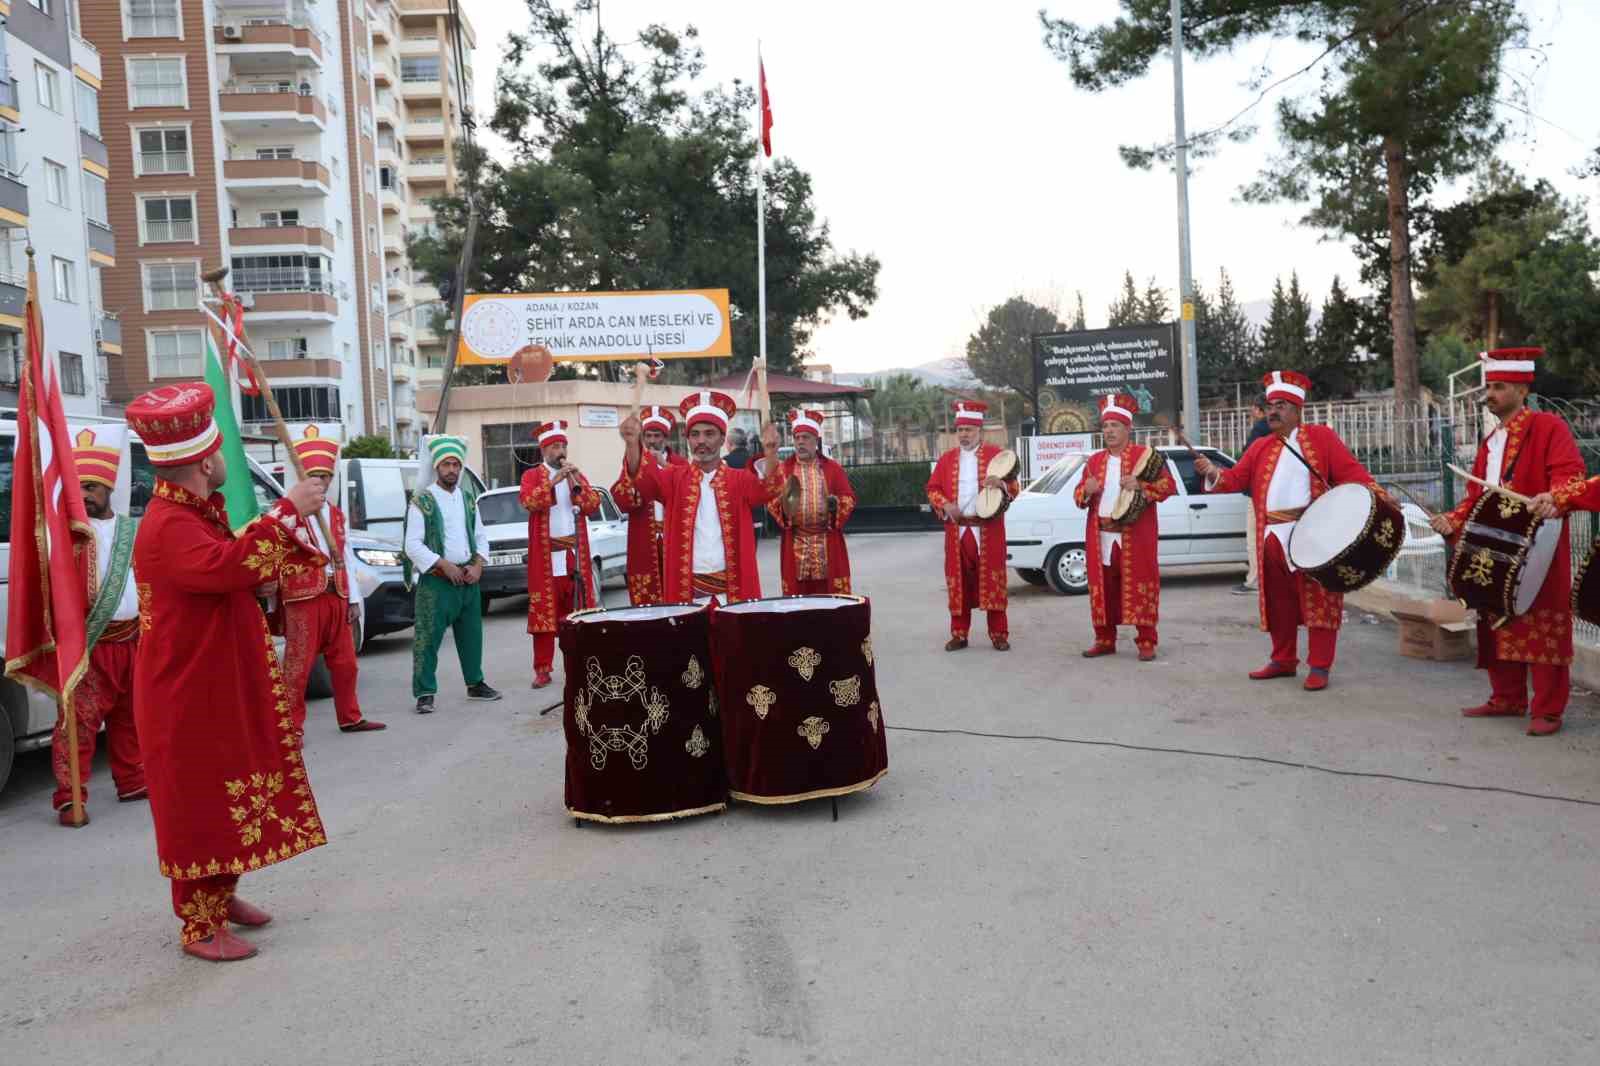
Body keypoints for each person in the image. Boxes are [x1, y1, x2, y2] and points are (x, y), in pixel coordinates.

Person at [126, 383, 330, 961]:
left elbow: (230, 572)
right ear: (204, 461)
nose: (225, 460)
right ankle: (198, 925)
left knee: (228, 789)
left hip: (211, 681)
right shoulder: (169, 524)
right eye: (221, 452)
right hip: (186, 693)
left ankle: (223, 891)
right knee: (197, 802)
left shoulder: (192, 514)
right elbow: (225, 568)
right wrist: (287, 511)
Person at [1429, 348, 1587, 736]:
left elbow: (1570, 473)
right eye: (1489, 387)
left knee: (1543, 620)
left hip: (1538, 541)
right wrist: (1451, 520)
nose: (1490, 394)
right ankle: (1508, 698)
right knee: (1494, 616)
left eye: (1499, 387)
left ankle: (1548, 709)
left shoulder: (1548, 427)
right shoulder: (1490, 442)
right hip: (1493, 541)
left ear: (1521, 389)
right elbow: (1475, 496)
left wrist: (1555, 497)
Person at [1194, 371, 1381, 691]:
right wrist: (1212, 472)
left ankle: (1320, 666)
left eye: (1281, 405)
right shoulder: (1260, 446)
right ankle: (1283, 660)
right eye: (1270, 405)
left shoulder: (1322, 438)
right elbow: (1235, 479)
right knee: (1278, 601)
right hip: (1271, 534)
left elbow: (1353, 474)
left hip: (1312, 533)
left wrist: (1379, 498)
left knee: (1319, 598)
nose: (1273, 411)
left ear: (1298, 410)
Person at [51, 427, 146, 826]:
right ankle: (71, 796)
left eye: (92, 487)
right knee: (79, 723)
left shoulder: (132, 530)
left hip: (133, 638)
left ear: (108, 489)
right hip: (91, 644)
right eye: (79, 488)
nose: (86, 496)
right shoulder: (67, 535)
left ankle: (133, 780)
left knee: (130, 716)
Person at [614, 391, 783, 604]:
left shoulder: (740, 480)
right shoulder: (674, 478)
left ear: (723, 438)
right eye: (695, 434)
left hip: (732, 596)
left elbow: (770, 488)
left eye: (709, 433)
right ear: (688, 439)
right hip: (688, 596)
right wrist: (631, 443)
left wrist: (771, 453)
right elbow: (644, 480)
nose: (701, 441)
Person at [277, 427, 384, 741]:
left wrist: (352, 597)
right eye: (314, 475)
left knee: (347, 663)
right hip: (303, 598)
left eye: (325, 476)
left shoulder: (335, 515)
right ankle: (290, 728)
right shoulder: (287, 514)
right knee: (298, 667)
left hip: (335, 594)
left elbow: (345, 556)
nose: (321, 482)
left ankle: (350, 716)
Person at [1073, 394, 1178, 661]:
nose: (1109, 430)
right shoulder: (1094, 461)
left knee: (1141, 583)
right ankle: (1104, 639)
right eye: (1105, 425)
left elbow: (1169, 487)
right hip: (1101, 537)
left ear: (1128, 428)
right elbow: (1078, 497)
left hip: (1135, 536)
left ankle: (1146, 641)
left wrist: (1141, 486)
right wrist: (1086, 491)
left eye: (1115, 425)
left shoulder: (1145, 456)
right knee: (1103, 589)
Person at [403, 436, 502, 713]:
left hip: (468, 579)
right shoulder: (422, 501)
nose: (452, 470)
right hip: (437, 581)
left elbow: (481, 536)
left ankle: (475, 683)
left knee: (472, 635)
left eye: (456, 464)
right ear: (437, 466)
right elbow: (412, 545)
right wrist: (443, 564)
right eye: (447, 464)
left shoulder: (468, 498)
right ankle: (424, 693)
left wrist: (479, 565)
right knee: (427, 639)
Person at [926, 401, 1020, 652]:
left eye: (969, 429)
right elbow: (932, 489)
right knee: (958, 582)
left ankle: (999, 633)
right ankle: (959, 633)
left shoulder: (996, 456)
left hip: (988, 530)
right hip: (958, 531)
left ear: (979, 430)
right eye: (960, 430)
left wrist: (1000, 485)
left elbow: (1014, 488)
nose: (964, 434)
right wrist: (945, 504)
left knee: (993, 580)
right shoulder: (947, 459)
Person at [521, 420, 601, 689]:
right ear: (545, 450)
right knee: (545, 612)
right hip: (546, 557)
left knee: (576, 611)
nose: (560, 450)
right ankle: (543, 669)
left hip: (573, 554)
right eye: (555, 446)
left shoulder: (575, 475)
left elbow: (592, 506)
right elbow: (529, 502)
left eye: (563, 445)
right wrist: (553, 482)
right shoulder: (532, 476)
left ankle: (578, 664)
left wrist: (577, 480)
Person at [767, 409, 857, 595]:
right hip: (796, 542)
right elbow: (770, 500)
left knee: (830, 598)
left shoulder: (833, 469)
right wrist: (782, 506)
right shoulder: (782, 471)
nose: (800, 442)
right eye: (797, 437)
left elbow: (848, 498)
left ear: (815, 441)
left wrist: (835, 507)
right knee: (798, 599)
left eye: (806, 437)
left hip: (826, 541)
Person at [611, 405, 686, 605]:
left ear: (665, 438)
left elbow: (688, 493)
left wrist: (662, 464)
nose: (652, 440)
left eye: (657, 436)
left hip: (674, 537)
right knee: (648, 601)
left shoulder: (681, 464)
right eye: (648, 435)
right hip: (644, 536)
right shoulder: (632, 462)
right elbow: (623, 498)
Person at [1234, 399, 1271, 595]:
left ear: (1259, 410)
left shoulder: (1260, 428)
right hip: (1271, 492)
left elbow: (1246, 457)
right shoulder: (1279, 429)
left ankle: (1254, 580)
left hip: (1256, 491)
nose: (1251, 413)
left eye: (1253, 410)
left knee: (1254, 538)